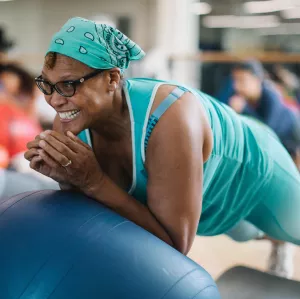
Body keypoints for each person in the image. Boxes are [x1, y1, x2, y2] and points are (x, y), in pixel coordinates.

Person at [25, 17, 300, 279]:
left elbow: (174, 247)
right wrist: (65, 176)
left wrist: (92, 180)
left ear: (111, 79)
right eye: (46, 85)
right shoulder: (69, 121)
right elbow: (97, 215)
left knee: (290, 227)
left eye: (68, 85)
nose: (54, 100)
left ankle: (281, 239)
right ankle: (273, 239)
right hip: (208, 201)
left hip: (254, 169)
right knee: (245, 232)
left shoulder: (169, 118)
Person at [231, 60, 300, 170]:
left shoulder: (271, 96)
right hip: (276, 145)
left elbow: (267, 132)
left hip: (293, 135)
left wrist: (244, 109)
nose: (237, 86)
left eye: (242, 81)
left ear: (257, 80)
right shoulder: (240, 97)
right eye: (235, 80)